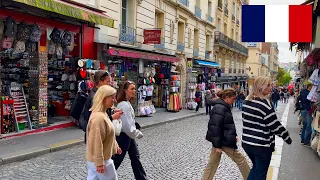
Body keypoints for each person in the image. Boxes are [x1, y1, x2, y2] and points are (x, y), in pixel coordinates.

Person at [242, 76, 292, 180]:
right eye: (268, 85)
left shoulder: (246, 102)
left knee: (256, 169)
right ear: (261, 87)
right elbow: (274, 125)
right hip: (261, 145)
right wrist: (286, 136)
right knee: (261, 174)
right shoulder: (265, 104)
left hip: (247, 143)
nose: (271, 87)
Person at [202, 89, 250, 180]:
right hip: (223, 141)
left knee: (212, 164)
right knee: (241, 160)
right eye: (233, 98)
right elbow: (215, 127)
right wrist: (217, 146)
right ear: (227, 97)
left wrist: (233, 136)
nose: (234, 101)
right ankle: (250, 178)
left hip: (221, 140)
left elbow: (227, 124)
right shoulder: (220, 108)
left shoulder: (223, 106)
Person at [112, 81, 147, 180]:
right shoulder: (124, 105)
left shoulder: (126, 103)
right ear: (125, 91)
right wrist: (137, 133)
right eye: (132, 89)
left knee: (135, 158)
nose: (134, 91)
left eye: (135, 88)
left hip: (128, 136)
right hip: (124, 136)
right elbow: (127, 126)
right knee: (116, 161)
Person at [86, 85, 122, 180]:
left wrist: (115, 147)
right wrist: (99, 163)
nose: (114, 100)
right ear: (104, 99)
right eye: (112, 98)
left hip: (99, 160)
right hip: (102, 160)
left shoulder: (103, 114)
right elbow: (97, 142)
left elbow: (108, 135)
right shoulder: (99, 118)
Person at [79, 71, 123, 143]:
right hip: (96, 135)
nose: (109, 84)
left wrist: (112, 111)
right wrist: (112, 117)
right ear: (100, 82)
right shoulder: (95, 97)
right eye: (107, 82)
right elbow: (97, 120)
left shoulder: (98, 94)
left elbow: (102, 113)